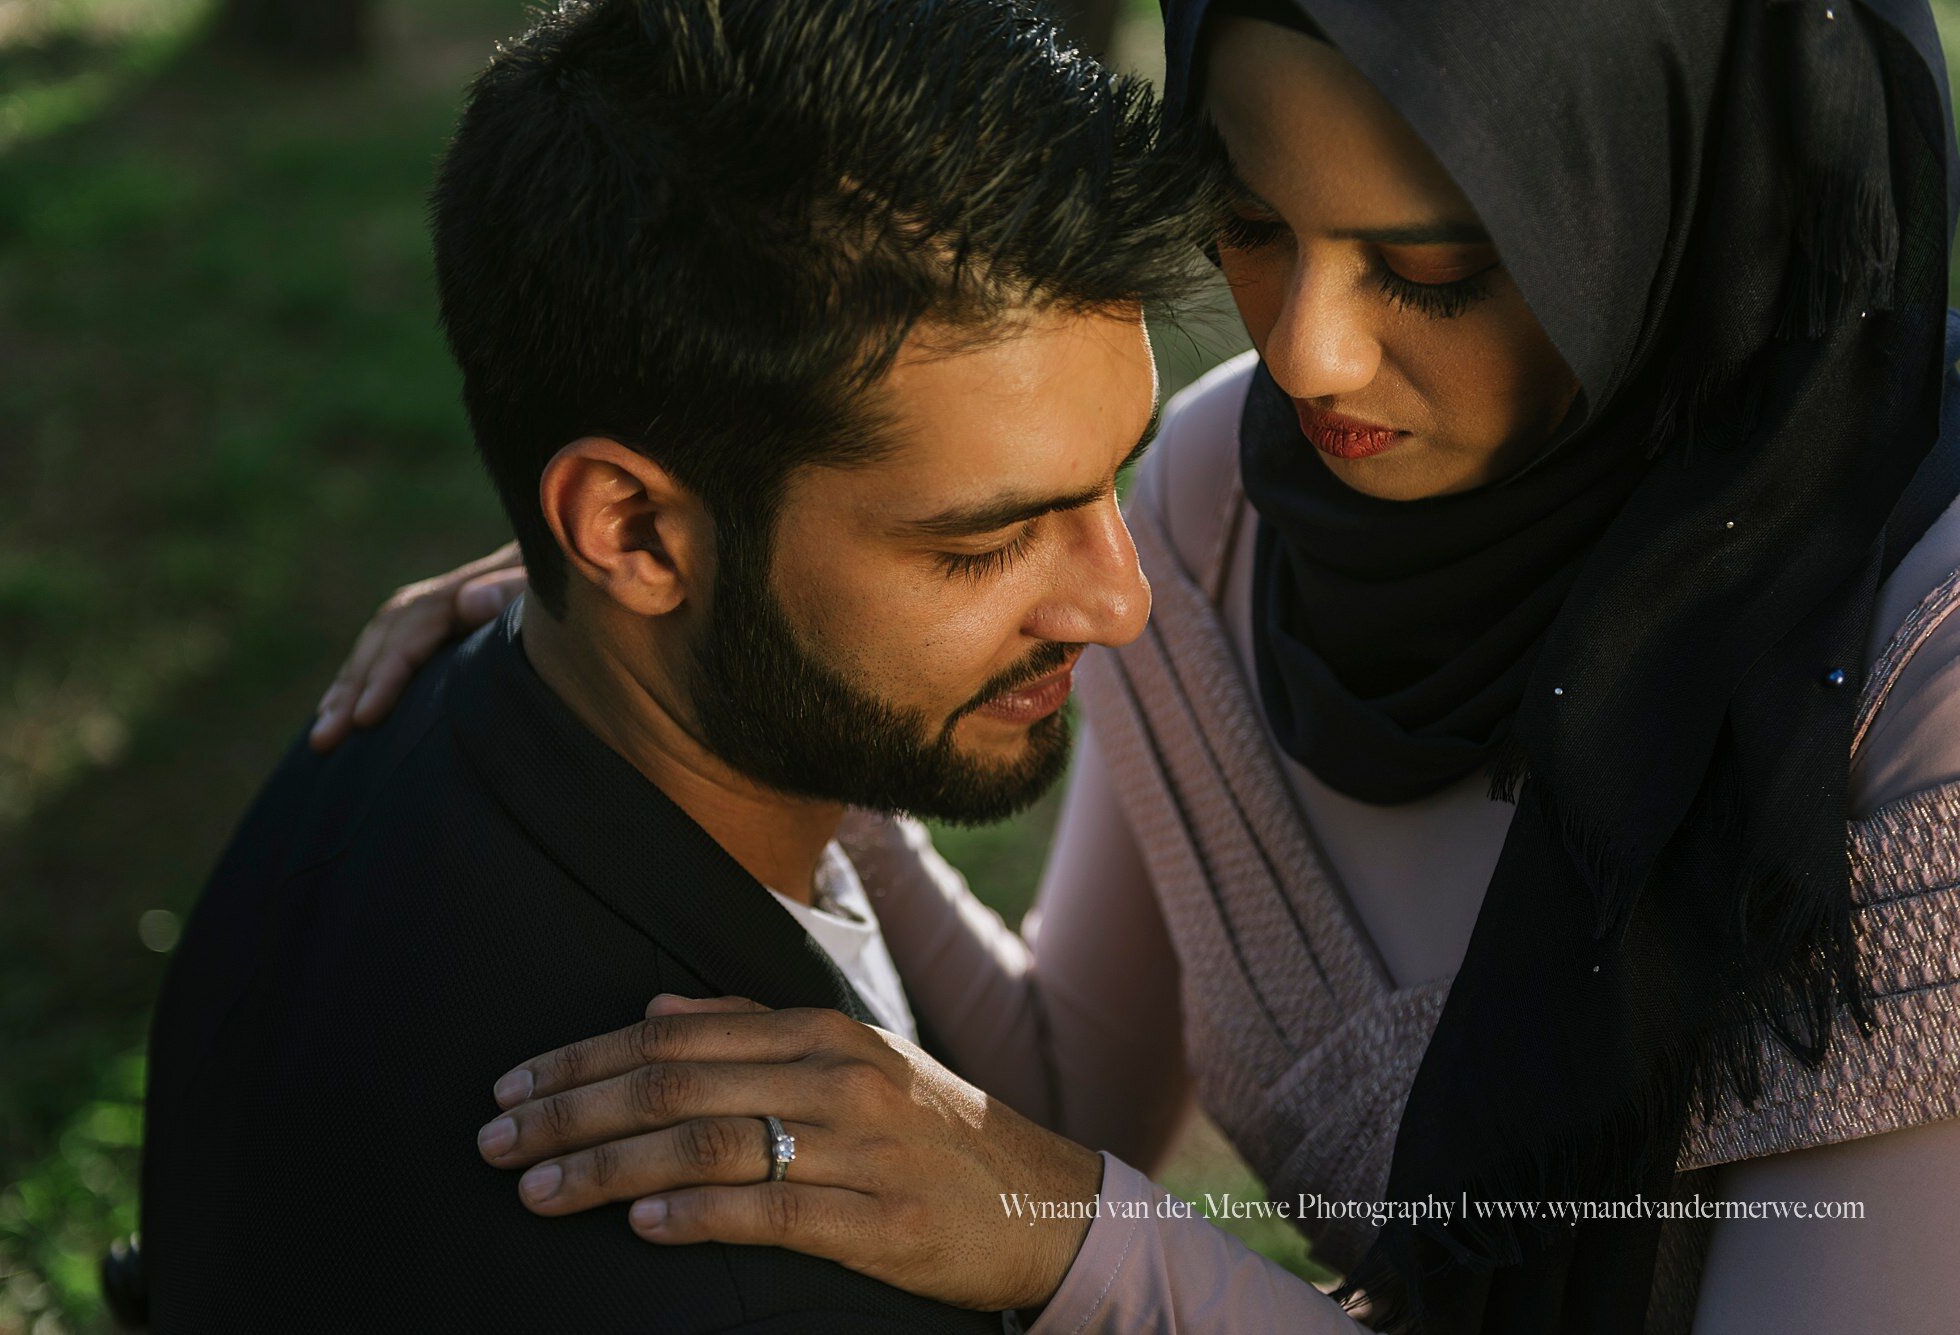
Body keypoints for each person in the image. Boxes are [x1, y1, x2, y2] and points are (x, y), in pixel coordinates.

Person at [322, 0, 1960, 1331]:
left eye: (1435, 268)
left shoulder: (1919, 663)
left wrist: (1088, 1249)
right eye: (1249, 221)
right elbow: (1058, 1081)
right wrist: (725, 641)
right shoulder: (1215, 496)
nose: (1304, 351)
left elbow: (1049, 1181)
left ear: (1674, 211)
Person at [131, 0, 1224, 1327]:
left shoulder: (411, 723)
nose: (1122, 601)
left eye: (1115, 476)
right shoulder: (741, 1270)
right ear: (632, 531)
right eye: (987, 539)